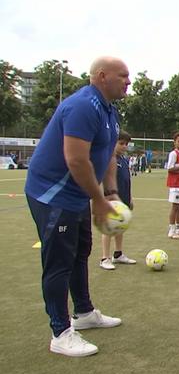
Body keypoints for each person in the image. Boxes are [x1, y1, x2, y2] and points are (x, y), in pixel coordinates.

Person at [24, 56, 128, 357]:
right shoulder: (83, 105)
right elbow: (76, 159)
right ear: (102, 76)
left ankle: (83, 313)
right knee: (59, 261)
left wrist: (110, 192)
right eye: (123, 76)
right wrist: (97, 201)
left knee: (81, 250)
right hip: (52, 193)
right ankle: (60, 331)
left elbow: (108, 155)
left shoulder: (110, 111)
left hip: (79, 193)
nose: (128, 82)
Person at [100, 130, 137, 270]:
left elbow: (127, 180)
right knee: (108, 228)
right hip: (111, 200)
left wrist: (130, 198)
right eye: (121, 143)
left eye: (126, 144)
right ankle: (104, 258)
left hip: (124, 199)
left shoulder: (124, 159)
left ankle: (118, 254)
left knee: (120, 226)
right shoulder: (108, 158)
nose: (124, 146)